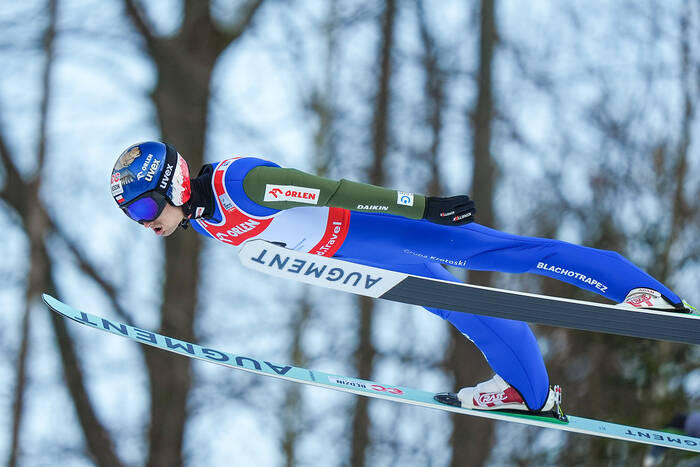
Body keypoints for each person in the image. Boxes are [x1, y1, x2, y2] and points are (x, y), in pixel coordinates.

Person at [110, 141, 696, 416]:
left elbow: (331, 190)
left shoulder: (241, 184)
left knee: (506, 253)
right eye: (133, 217)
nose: (145, 224)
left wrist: (421, 206)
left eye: (142, 209)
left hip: (383, 231)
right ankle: (532, 393)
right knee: (461, 308)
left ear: (172, 184)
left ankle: (648, 296)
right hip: (363, 261)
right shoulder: (206, 222)